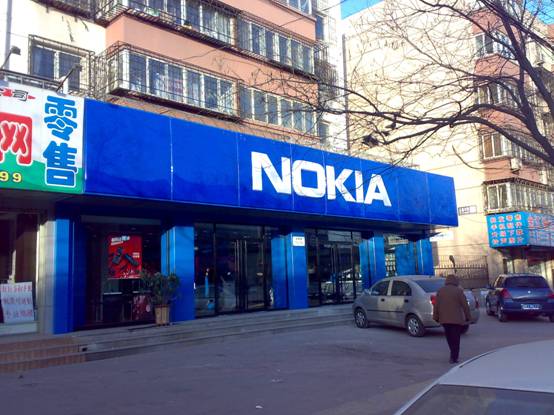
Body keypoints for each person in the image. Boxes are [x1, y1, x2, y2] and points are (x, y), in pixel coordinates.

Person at [433, 274, 471, 364]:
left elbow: (436, 306)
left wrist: (436, 317)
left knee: (449, 338)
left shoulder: (440, 291)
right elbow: (465, 305)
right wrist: (468, 317)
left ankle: (452, 355)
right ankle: (454, 357)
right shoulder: (458, 291)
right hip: (456, 320)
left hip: (444, 320)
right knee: (456, 339)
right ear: (455, 281)